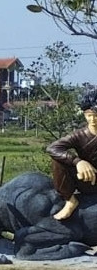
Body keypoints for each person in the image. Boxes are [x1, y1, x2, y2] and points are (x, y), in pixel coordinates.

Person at [47, 86, 97, 221]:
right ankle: (70, 200)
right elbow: (52, 148)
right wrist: (78, 161)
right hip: (86, 180)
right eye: (89, 115)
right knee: (58, 159)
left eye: (96, 115)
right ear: (85, 115)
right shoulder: (79, 135)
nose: (93, 119)